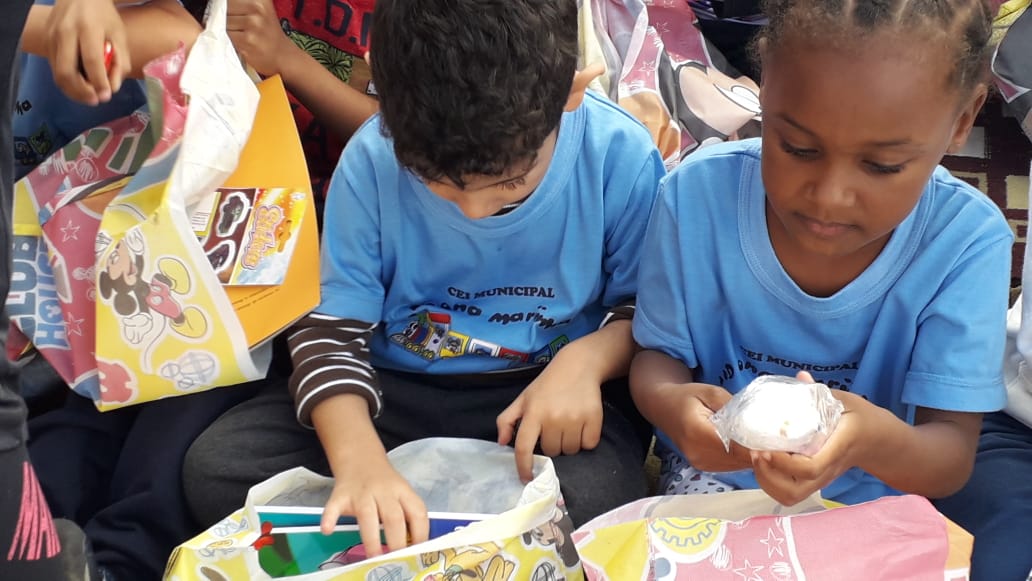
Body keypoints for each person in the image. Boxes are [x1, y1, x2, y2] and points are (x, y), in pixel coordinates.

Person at [184, 0, 663, 556]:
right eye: (437, 183)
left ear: (571, 91)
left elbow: (649, 311)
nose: (473, 212)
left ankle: (397, 533)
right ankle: (444, 528)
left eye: (509, 184)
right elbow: (331, 332)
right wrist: (359, 461)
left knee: (604, 493)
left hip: (535, 399)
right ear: (383, 96)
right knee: (218, 468)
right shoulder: (372, 158)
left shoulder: (617, 155)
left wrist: (586, 362)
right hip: (394, 392)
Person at [629, 0, 1012, 512]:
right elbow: (657, 357)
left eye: (882, 165)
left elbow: (949, 457)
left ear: (962, 120)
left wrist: (865, 440)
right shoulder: (694, 197)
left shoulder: (966, 242)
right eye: (798, 148)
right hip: (718, 481)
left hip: (873, 499)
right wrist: (670, 405)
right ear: (764, 83)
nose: (829, 197)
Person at [183, 0, 378, 204]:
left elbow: (394, 134)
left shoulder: (398, 16)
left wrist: (285, 58)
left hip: (346, 203)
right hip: (224, 185)